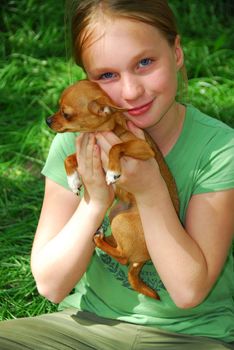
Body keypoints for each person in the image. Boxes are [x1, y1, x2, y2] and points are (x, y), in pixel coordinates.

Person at [0, 0, 233, 349]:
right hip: (84, 327)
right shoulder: (74, 144)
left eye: (144, 62)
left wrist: (151, 190)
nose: (130, 92)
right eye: (107, 75)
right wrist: (95, 201)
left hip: (190, 336)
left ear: (178, 53)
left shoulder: (219, 149)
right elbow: (51, 285)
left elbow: (188, 292)